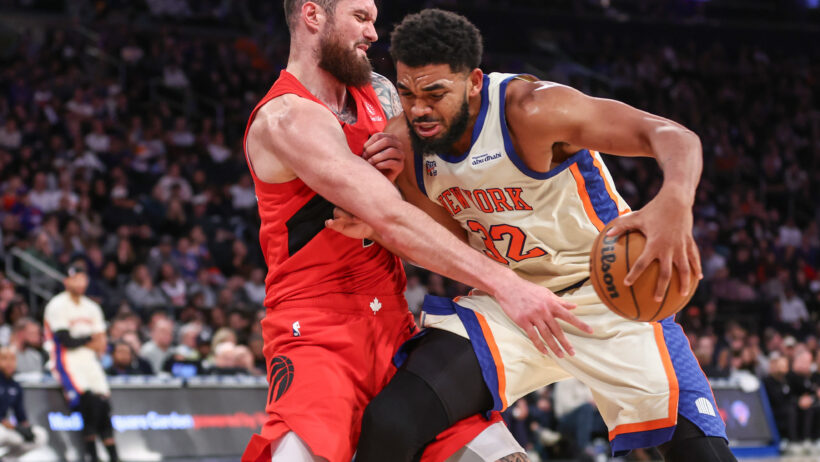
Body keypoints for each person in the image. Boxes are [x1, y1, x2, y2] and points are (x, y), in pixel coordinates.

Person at [326, 9, 735, 462]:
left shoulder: (533, 109)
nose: (419, 108)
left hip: (606, 297)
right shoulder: (404, 143)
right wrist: (386, 216)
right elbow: (450, 244)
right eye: (406, 92)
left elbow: (671, 135)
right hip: (509, 301)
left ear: (474, 82)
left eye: (435, 93)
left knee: (704, 458)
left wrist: (676, 200)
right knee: (392, 422)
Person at [240, 1, 592, 461]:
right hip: (316, 333)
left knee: (508, 457)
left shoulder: (383, 93)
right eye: (361, 18)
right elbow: (394, 219)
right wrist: (509, 284)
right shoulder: (287, 117)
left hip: (393, 320)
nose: (373, 33)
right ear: (313, 15)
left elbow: (427, 194)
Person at [43, 260, 120, 462]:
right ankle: (92, 456)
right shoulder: (57, 305)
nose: (80, 282)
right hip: (66, 360)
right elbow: (65, 340)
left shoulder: (92, 307)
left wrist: (85, 341)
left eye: (83, 278)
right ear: (67, 281)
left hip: (90, 361)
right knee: (89, 404)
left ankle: (113, 456)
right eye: (75, 278)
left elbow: (101, 343)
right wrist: (89, 339)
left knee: (104, 403)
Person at [0, 346, 48, 459]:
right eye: (4, 358)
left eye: (12, 359)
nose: (9, 363)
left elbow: (21, 415)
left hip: (7, 428)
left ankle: (7, 459)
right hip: (2, 427)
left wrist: (25, 428)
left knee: (39, 435)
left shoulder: (15, 386)